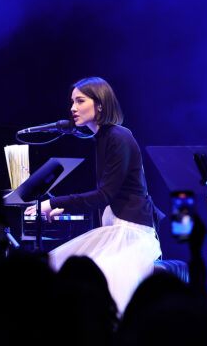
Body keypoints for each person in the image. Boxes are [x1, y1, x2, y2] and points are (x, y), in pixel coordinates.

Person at [25, 76, 162, 313]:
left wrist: (54, 203)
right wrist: (61, 207)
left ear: (100, 104)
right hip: (115, 228)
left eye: (80, 101)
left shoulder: (119, 137)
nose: (73, 108)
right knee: (56, 270)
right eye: (72, 102)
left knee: (96, 283)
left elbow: (104, 195)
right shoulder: (102, 138)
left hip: (132, 233)